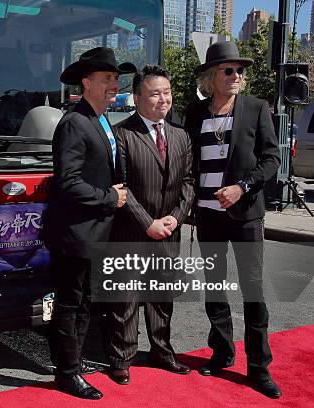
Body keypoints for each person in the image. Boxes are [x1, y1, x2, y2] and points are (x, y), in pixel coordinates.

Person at [184, 41, 282, 399]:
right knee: (214, 287)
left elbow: (272, 160)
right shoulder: (195, 113)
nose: (237, 75)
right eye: (229, 70)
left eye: (240, 70)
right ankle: (222, 352)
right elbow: (186, 160)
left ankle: (259, 368)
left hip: (244, 216)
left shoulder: (256, 108)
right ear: (212, 76)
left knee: (253, 292)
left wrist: (242, 187)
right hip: (208, 218)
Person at [42, 47, 135, 400]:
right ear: (86, 82)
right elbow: (68, 182)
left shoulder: (100, 119)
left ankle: (73, 363)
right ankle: (67, 373)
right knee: (71, 304)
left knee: (84, 304)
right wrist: (110, 198)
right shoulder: (74, 122)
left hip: (94, 232)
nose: (114, 84)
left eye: (116, 78)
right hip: (75, 233)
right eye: (107, 78)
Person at [105, 65, 195, 385]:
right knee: (126, 299)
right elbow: (120, 187)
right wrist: (148, 223)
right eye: (155, 93)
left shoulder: (181, 135)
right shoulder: (123, 135)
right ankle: (121, 357)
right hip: (132, 231)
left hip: (168, 232)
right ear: (137, 97)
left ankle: (162, 351)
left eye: (167, 92)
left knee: (161, 296)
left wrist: (176, 217)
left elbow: (188, 183)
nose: (163, 99)